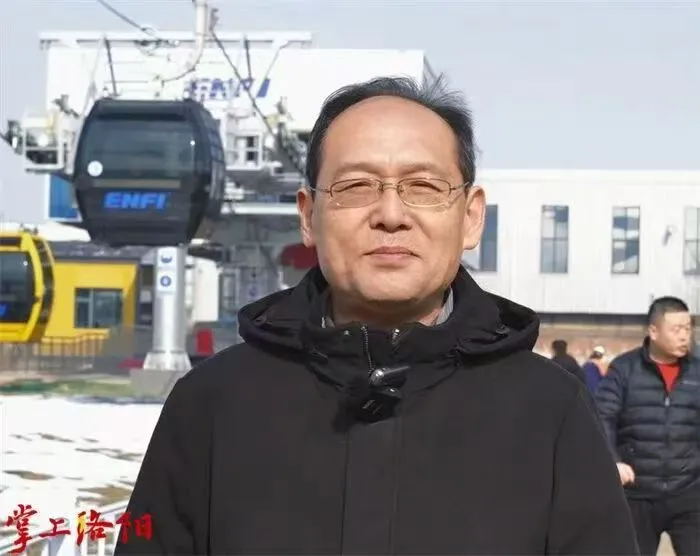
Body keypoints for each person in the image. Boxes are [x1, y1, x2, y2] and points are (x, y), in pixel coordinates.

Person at [116, 76, 638, 555]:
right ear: (308, 215)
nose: (390, 215)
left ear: (471, 217)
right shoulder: (212, 403)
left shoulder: (550, 410)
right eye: (356, 187)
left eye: (424, 187)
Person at [596, 296, 700, 556]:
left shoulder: (697, 371)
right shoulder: (625, 369)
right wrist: (613, 461)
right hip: (637, 493)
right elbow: (601, 417)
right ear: (653, 331)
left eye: (688, 328)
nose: (684, 336)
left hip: (689, 491)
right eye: (676, 329)